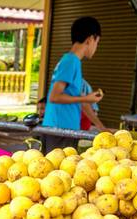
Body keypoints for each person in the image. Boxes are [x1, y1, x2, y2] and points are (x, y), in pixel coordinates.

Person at [42, 16, 103, 146]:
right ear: (90, 39)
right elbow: (55, 96)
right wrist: (86, 99)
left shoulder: (73, 62)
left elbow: (82, 102)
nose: (96, 47)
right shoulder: (70, 61)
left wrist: (101, 128)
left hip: (66, 129)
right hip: (59, 129)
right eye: (97, 42)